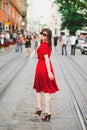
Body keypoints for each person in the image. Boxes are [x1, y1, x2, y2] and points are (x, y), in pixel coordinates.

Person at [33, 28, 59, 121]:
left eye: (44, 35)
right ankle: (39, 108)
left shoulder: (44, 45)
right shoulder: (44, 44)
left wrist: (49, 72)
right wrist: (37, 44)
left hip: (43, 68)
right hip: (40, 67)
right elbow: (37, 56)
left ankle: (47, 112)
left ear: (48, 37)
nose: (42, 35)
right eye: (41, 33)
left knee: (46, 90)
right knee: (38, 89)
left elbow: (47, 59)